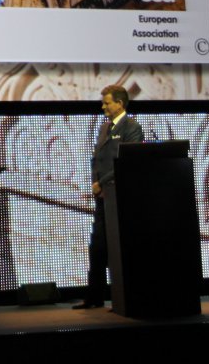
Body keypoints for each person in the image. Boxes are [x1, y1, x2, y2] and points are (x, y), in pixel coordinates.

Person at [74, 84, 143, 309]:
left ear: (120, 104)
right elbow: (97, 159)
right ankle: (94, 297)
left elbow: (127, 161)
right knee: (97, 248)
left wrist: (102, 182)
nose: (103, 107)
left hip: (120, 198)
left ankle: (123, 298)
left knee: (118, 249)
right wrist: (96, 183)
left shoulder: (132, 127)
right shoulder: (104, 128)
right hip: (103, 198)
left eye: (107, 103)